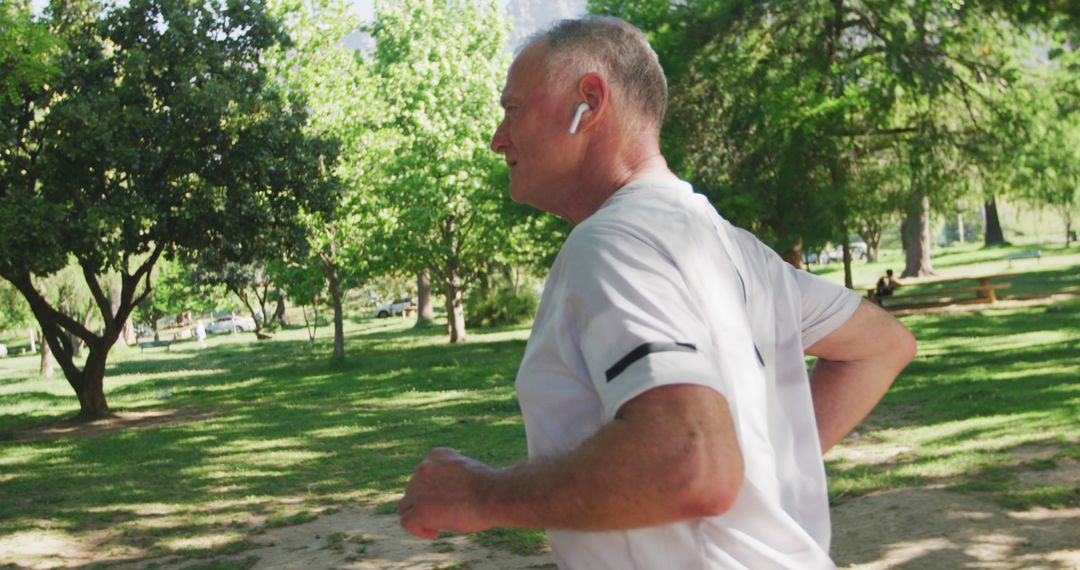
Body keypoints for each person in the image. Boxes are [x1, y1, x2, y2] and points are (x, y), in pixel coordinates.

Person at [399, 16, 916, 569]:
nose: (498, 139)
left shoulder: (613, 240)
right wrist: (760, 484)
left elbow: (690, 462)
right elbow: (881, 345)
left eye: (513, 109)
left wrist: (477, 495)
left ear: (589, 101)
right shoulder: (726, 244)